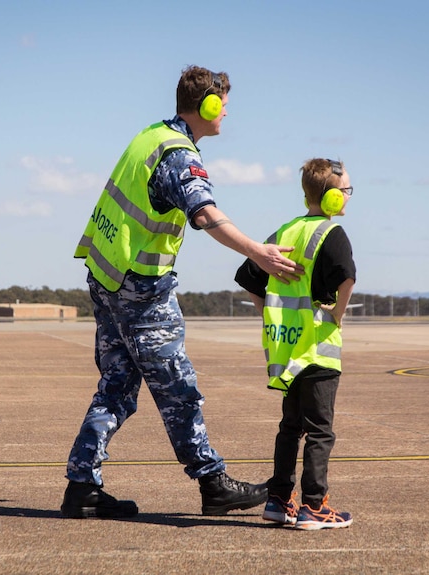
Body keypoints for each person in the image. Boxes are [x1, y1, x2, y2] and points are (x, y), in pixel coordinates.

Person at [62, 65, 304, 519]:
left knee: (116, 389)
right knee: (179, 390)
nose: (227, 114)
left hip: (106, 277)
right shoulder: (178, 155)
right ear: (207, 105)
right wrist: (258, 253)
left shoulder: (150, 136)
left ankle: (81, 486)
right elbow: (206, 214)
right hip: (142, 291)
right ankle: (213, 483)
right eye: (224, 105)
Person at [235, 157, 356, 529]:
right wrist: (336, 314)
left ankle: (278, 500)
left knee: (290, 427)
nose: (349, 197)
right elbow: (347, 279)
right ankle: (314, 506)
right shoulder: (331, 233)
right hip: (318, 350)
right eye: (347, 191)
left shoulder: (284, 232)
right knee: (320, 430)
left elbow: (249, 278)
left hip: (287, 350)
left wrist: (269, 313)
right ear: (332, 198)